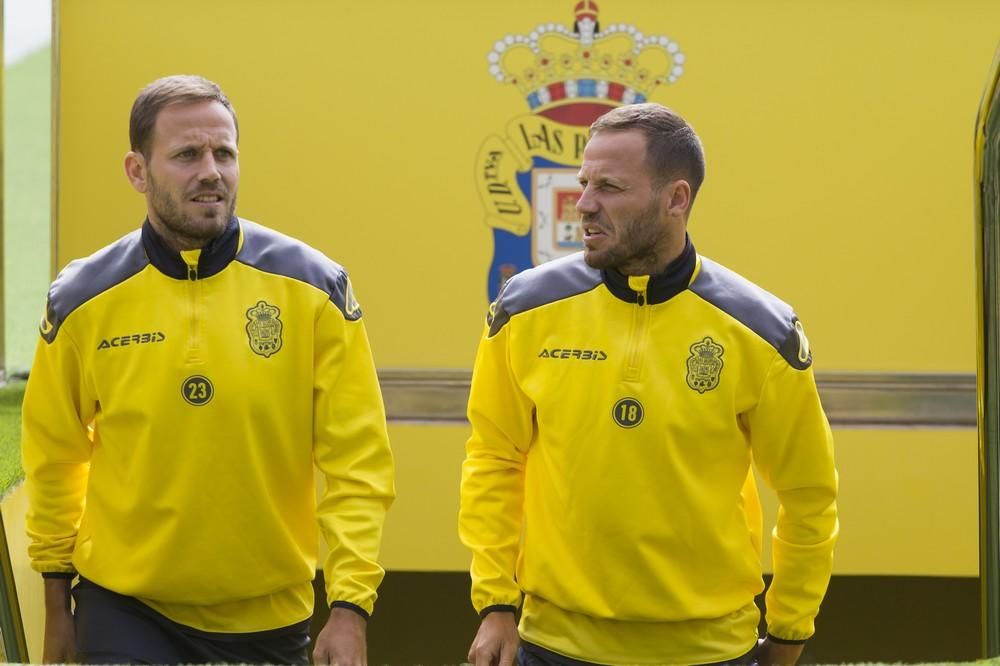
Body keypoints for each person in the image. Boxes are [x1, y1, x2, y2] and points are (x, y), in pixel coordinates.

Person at [22, 75, 395, 665]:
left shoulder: (316, 288)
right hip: (124, 607)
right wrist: (55, 609)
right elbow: (55, 457)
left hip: (270, 615)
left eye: (224, 153)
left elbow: (358, 463)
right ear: (137, 171)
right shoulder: (81, 300)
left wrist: (350, 606)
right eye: (187, 154)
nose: (211, 172)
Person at [459, 103, 838, 666]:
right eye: (584, 182)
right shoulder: (525, 309)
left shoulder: (762, 330)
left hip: (711, 652)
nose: (584, 203)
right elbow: (494, 458)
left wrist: (788, 632)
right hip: (553, 648)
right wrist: (494, 603)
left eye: (609, 187)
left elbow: (809, 494)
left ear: (676, 199)